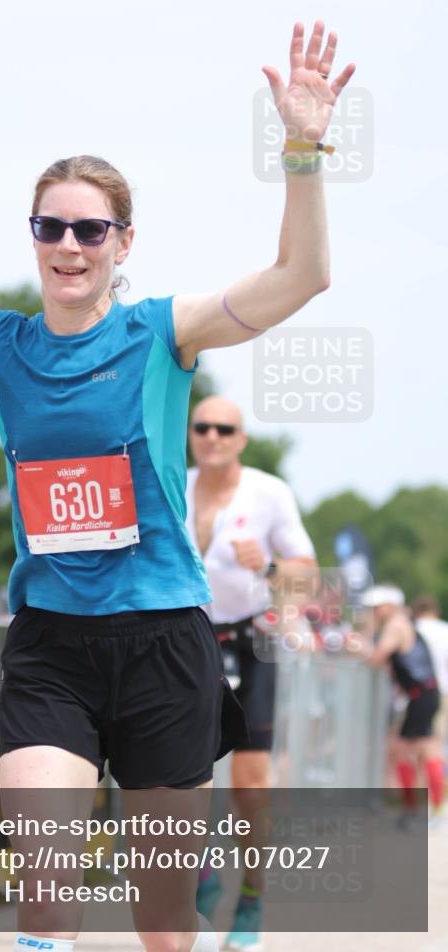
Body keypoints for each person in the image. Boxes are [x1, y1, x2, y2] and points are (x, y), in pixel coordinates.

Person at [0, 18, 355, 952]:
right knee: (47, 895)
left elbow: (304, 276)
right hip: (52, 646)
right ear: (35, 238)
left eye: (91, 229)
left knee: (163, 926)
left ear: (122, 241)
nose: (70, 245)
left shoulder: (164, 333)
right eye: (51, 227)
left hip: (166, 644)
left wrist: (303, 148)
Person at [186, 396, 316, 950]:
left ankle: (253, 899)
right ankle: (202, 874)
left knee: (251, 786)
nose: (212, 436)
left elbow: (307, 573)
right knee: (183, 776)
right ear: (191, 434)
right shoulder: (175, 486)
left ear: (241, 439)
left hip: (253, 638)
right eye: (202, 427)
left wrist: (263, 564)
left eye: (225, 429)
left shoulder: (268, 492)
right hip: (189, 640)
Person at [363, 586, 443, 823]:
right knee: (424, 750)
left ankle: (416, 809)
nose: (375, 612)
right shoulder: (404, 623)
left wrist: (364, 643)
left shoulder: (395, 625)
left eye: (377, 607)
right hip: (423, 694)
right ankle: (431, 808)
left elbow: (378, 657)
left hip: (420, 695)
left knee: (406, 751)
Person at [411, 595, 448, 807]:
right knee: (434, 747)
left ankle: (414, 803)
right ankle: (436, 802)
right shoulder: (445, 630)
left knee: (409, 750)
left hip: (413, 695)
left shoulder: (413, 629)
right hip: (441, 692)